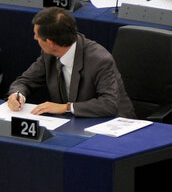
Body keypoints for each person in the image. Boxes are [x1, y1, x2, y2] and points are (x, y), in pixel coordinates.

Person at [7, 7, 135, 118]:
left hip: (110, 123)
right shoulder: (49, 55)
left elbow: (109, 104)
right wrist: (17, 95)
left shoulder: (100, 60)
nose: (35, 38)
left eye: (37, 35)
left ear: (51, 42)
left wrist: (66, 107)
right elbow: (25, 81)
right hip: (74, 121)